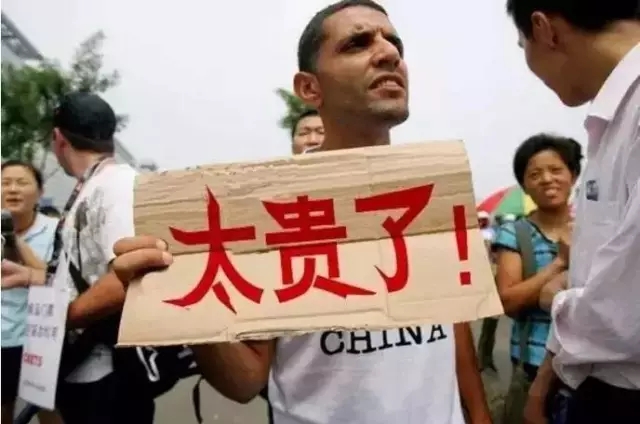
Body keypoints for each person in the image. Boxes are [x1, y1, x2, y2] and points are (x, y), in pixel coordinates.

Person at [109, 1, 491, 423]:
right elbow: (245, 381)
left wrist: (478, 415)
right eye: (358, 44)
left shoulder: (432, 191)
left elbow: (454, 331)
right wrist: (179, 297)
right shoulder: (269, 211)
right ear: (309, 88)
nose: (388, 53)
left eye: (394, 43)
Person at [506, 1, 640, 423]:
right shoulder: (612, 122)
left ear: (544, 29)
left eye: (521, 44)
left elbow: (627, 307)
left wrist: (556, 298)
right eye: (535, 173)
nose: (548, 180)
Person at [0, 92, 153, 424]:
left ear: (58, 138)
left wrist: (63, 317)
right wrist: (32, 277)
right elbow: (90, 273)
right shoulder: (93, 184)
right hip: (83, 370)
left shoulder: (115, 185)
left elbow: (132, 276)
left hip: (109, 379)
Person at [492, 134, 581, 420]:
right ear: (524, 185)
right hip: (532, 363)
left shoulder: (593, 227)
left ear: (573, 175)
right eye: (534, 174)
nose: (547, 179)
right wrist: (559, 263)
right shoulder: (515, 233)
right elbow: (507, 301)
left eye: (556, 170)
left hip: (587, 367)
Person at [1, 160, 63, 424]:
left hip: (41, 339)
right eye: (5, 183)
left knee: (49, 410)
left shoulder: (57, 230)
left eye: (22, 183)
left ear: (40, 193)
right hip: (3, 341)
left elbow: (57, 281)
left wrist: (12, 237)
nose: (13, 189)